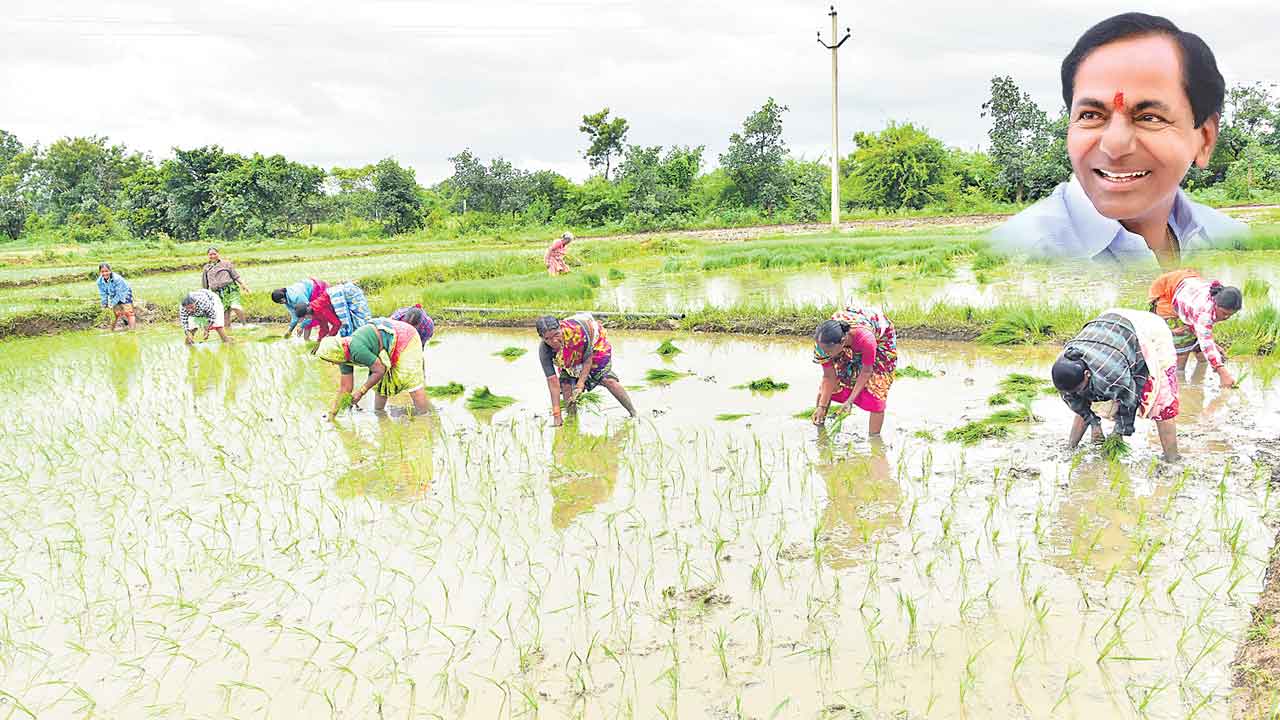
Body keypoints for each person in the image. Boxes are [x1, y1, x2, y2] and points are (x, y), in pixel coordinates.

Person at [992, 13, 1245, 265]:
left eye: (1149, 118)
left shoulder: (1233, 241)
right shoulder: (1016, 256)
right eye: (1091, 115)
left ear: (1205, 139)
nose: (1114, 145)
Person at [1051, 309, 1180, 460]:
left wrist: (1118, 432)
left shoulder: (1111, 373)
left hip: (1149, 331)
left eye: (1078, 389)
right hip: (1111, 327)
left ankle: (1172, 460)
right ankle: (1071, 448)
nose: (1075, 394)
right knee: (1083, 393)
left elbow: (1130, 399)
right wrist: (1094, 423)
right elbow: (1076, 400)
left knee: (1162, 404)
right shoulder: (1064, 366)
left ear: (1087, 374)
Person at [315, 312, 430, 418]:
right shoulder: (342, 355)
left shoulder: (356, 349)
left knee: (409, 378)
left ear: (335, 353)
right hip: (386, 345)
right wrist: (332, 414)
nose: (332, 363)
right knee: (381, 384)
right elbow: (345, 388)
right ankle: (380, 415)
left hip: (404, 336)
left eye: (330, 360)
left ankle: (425, 416)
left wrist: (361, 392)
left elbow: (380, 369)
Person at [536, 313, 637, 426]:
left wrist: (580, 385)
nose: (554, 341)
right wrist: (557, 415)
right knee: (566, 385)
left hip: (593, 344)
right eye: (548, 338)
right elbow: (553, 382)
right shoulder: (545, 350)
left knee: (607, 379)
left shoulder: (577, 332)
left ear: (560, 328)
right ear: (542, 338)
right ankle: (572, 422)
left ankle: (633, 413)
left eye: (556, 334)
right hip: (567, 356)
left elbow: (588, 360)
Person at [1148, 268, 1243, 387]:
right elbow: (1205, 339)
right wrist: (1222, 372)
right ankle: (1179, 387)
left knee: (1201, 355)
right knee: (1181, 355)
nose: (1226, 317)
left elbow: (1203, 333)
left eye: (1230, 315)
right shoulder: (1204, 311)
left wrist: (1214, 346)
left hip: (1187, 288)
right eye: (1224, 313)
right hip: (1168, 289)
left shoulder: (1211, 302)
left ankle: (1197, 382)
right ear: (1215, 303)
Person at [811, 306, 897, 436]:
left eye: (828, 352)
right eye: (823, 350)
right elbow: (828, 376)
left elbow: (866, 371)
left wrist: (849, 401)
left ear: (842, 342)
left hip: (880, 339)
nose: (824, 354)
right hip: (849, 335)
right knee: (835, 382)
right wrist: (821, 406)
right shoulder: (822, 343)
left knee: (877, 387)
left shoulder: (866, 340)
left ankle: (874, 439)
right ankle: (820, 428)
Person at [296, 281, 371, 340]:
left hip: (346, 294)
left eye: (305, 318)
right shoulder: (315, 311)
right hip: (338, 296)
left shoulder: (320, 309)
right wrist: (319, 341)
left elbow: (337, 324)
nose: (307, 319)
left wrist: (329, 337)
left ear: (306, 314)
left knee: (360, 321)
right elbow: (324, 328)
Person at [202, 247, 250, 327]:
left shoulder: (226, 263)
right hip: (217, 293)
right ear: (208, 256)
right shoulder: (206, 268)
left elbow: (235, 276)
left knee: (235, 306)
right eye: (210, 254)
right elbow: (205, 283)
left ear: (218, 254)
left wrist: (243, 285)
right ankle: (228, 331)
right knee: (225, 314)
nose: (213, 256)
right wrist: (205, 295)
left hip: (230, 290)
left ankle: (245, 325)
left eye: (214, 254)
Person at [97, 263, 136, 331]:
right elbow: (103, 294)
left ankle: (132, 331)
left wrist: (112, 304)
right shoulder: (99, 282)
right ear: (100, 272)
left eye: (106, 271)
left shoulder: (117, 279)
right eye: (102, 272)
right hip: (113, 294)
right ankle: (112, 330)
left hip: (124, 292)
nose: (105, 273)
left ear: (110, 271)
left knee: (129, 312)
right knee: (115, 314)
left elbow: (119, 294)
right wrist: (104, 304)